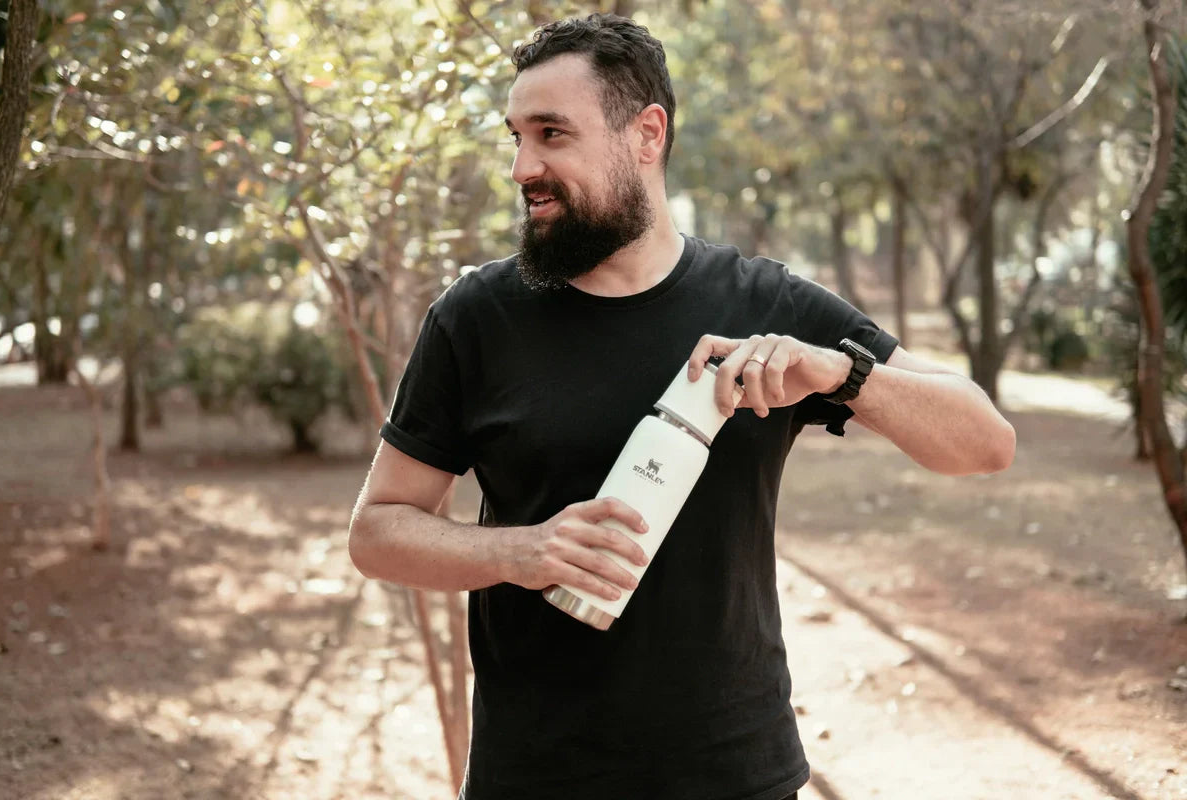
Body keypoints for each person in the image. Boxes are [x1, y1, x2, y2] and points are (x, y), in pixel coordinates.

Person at [348, 13, 1015, 800]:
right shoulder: (476, 316)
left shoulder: (764, 303)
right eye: (516, 137)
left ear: (647, 134)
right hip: (536, 778)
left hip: (736, 773)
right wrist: (521, 553)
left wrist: (838, 370)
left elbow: (985, 443)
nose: (523, 165)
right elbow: (377, 531)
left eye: (552, 134)